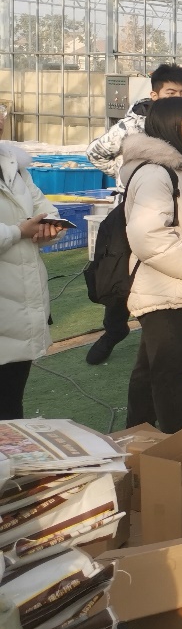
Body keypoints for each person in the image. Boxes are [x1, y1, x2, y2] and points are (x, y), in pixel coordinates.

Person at [85, 63, 182, 365]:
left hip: (177, 210)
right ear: (155, 94)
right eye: (171, 92)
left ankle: (154, 340)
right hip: (133, 212)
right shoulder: (131, 126)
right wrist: (125, 176)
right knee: (123, 271)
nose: (178, 98)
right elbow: (95, 152)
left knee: (164, 275)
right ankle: (114, 329)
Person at [119, 97, 182, 434]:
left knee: (152, 367)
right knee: (174, 369)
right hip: (164, 284)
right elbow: (147, 234)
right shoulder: (156, 173)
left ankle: (136, 435)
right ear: (170, 127)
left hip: (173, 284)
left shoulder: (181, 169)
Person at [0, 127, 64, 419]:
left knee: (10, 406)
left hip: (20, 306)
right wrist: (18, 232)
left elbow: (44, 209)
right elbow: (22, 227)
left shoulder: (13, 166)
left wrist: (51, 227)